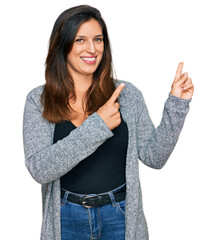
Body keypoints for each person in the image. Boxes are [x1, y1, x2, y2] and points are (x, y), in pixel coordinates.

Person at [22, 4, 194, 240]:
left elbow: (155, 157)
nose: (92, 48)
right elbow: (40, 170)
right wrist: (98, 125)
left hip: (120, 216)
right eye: (80, 40)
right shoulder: (39, 100)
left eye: (98, 39)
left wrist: (177, 104)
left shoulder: (127, 94)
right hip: (66, 219)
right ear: (63, 45)